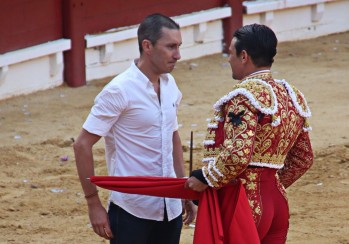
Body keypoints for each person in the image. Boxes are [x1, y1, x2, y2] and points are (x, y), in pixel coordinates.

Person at [185, 24, 314, 243]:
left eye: (231, 53)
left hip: (244, 203)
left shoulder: (244, 96)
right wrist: (272, 185)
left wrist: (206, 178)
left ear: (243, 56)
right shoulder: (292, 96)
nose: (228, 59)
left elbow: (237, 155)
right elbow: (303, 158)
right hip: (277, 204)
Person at [73, 13, 196, 244]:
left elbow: (172, 137)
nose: (178, 55)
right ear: (147, 46)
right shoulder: (118, 90)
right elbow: (82, 145)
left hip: (170, 206)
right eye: (170, 47)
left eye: (179, 46)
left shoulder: (170, 85)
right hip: (132, 210)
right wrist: (93, 203)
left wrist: (184, 189)